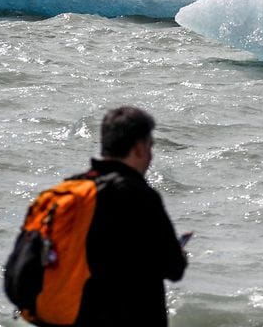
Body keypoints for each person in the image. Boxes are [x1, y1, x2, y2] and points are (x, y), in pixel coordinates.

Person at [74, 106, 188, 327]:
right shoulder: (139, 197)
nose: (151, 156)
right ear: (138, 149)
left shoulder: (71, 191)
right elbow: (174, 268)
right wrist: (179, 253)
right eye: (150, 146)